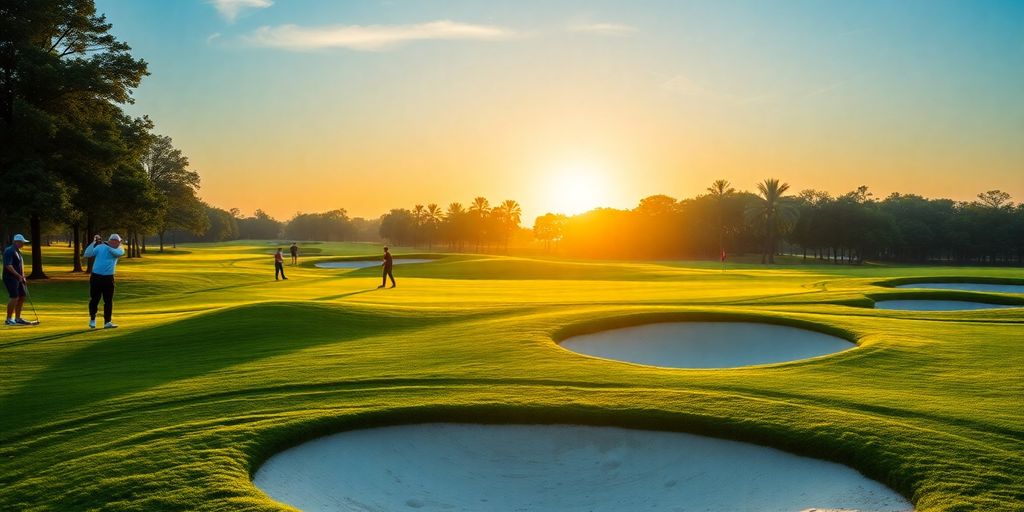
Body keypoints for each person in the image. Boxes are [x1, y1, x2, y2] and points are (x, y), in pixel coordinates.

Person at [84, 234, 125, 329]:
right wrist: (94, 242)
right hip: (96, 277)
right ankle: (93, 319)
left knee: (108, 301)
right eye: (114, 240)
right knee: (94, 299)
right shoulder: (100, 247)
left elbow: (116, 253)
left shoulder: (120, 249)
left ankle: (107, 321)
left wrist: (106, 245)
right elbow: (87, 254)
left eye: (117, 241)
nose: (116, 242)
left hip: (109, 278)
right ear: (110, 240)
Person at [3, 234, 31, 326]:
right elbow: (8, 266)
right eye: (22, 242)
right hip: (10, 278)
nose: (23, 244)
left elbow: (20, 265)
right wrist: (18, 275)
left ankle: (18, 318)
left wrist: (23, 276)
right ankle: (8, 319)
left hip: (18, 278)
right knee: (14, 297)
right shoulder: (9, 251)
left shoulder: (18, 251)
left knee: (22, 296)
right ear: (16, 242)